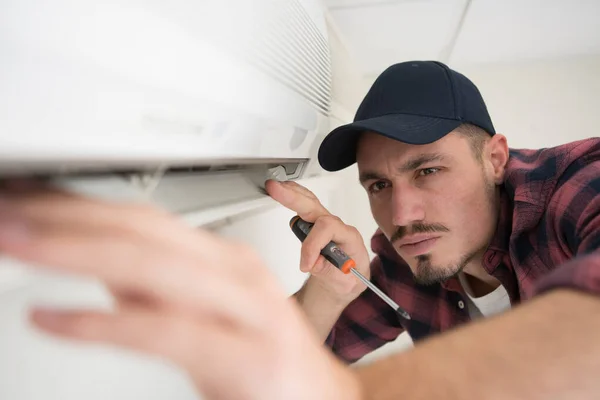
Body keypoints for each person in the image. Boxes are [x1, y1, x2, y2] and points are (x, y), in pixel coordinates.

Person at [0, 60, 598, 399]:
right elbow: (284, 366)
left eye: (428, 170)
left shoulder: (579, 181)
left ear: (495, 157)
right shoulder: (404, 260)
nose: (403, 214)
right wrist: (331, 289)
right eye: (378, 185)